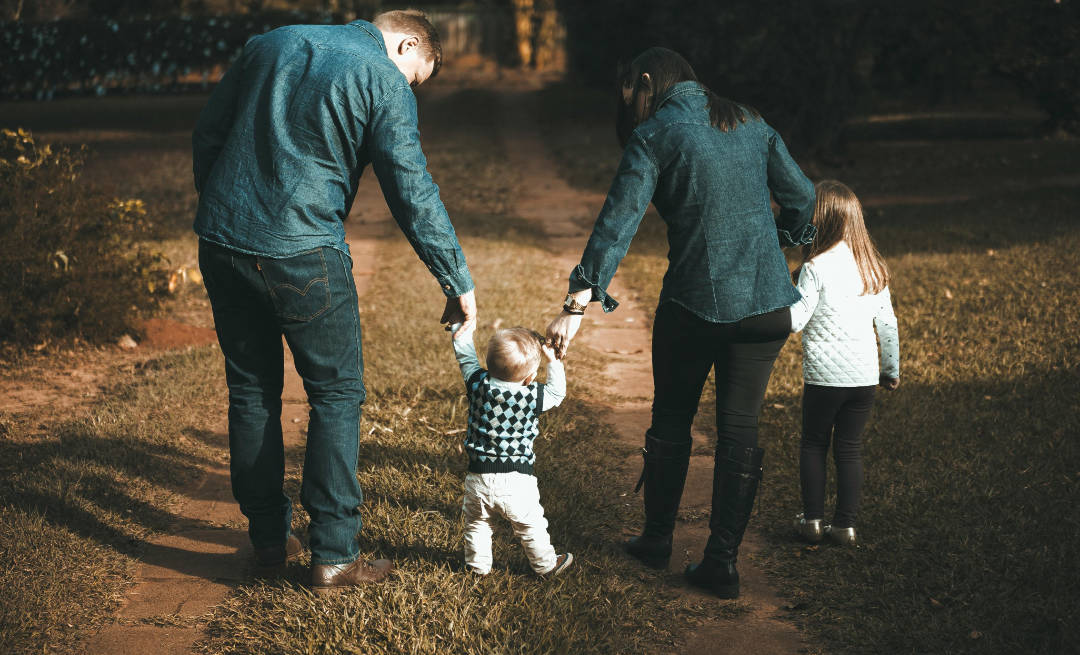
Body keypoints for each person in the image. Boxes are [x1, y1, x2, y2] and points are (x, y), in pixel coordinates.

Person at [192, 10, 477, 594]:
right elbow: (411, 188)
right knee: (336, 394)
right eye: (415, 77)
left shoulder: (268, 42)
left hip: (222, 242)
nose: (409, 88)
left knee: (251, 390)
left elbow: (208, 134)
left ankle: (269, 542)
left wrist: (226, 213)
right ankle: (336, 555)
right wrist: (455, 279)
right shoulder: (382, 78)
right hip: (304, 252)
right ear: (405, 43)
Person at [546, 47, 816, 598]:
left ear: (646, 82)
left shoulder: (657, 134)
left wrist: (575, 307)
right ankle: (722, 563)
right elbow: (805, 200)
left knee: (672, 417)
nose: (635, 110)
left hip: (693, 307)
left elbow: (615, 226)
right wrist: (780, 243)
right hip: (767, 308)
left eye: (634, 97)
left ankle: (656, 541)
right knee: (740, 428)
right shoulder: (750, 120)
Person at [789, 180, 900, 547]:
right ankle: (845, 527)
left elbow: (796, 321)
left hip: (823, 379)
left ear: (818, 221)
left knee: (814, 444)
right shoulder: (872, 268)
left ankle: (812, 522)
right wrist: (890, 370)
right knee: (849, 448)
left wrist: (776, 303)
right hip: (864, 378)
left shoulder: (815, 268)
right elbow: (887, 325)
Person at [449, 323, 573, 577]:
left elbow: (465, 357)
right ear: (529, 378)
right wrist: (552, 362)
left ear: (489, 364)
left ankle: (477, 566)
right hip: (517, 481)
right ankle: (546, 565)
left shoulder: (477, 384)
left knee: (477, 524)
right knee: (530, 525)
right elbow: (557, 393)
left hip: (478, 478)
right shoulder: (532, 396)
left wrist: (460, 329)